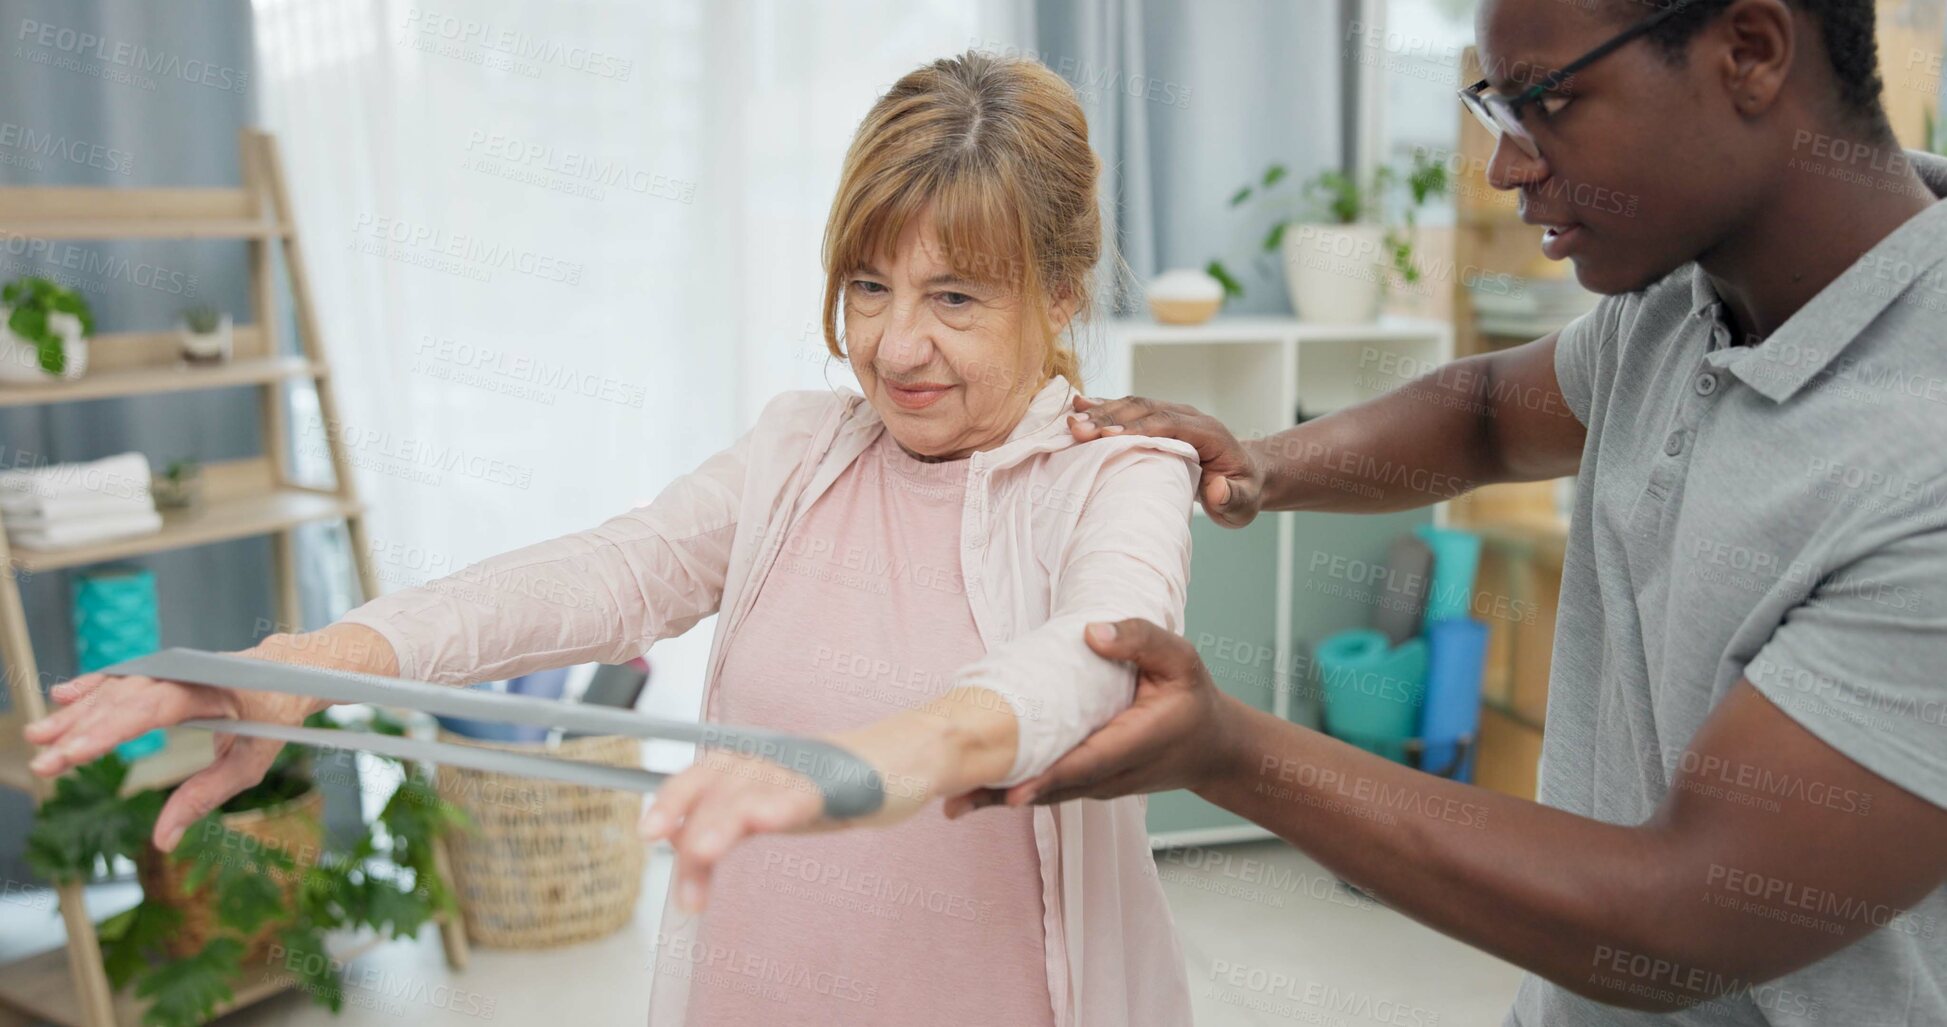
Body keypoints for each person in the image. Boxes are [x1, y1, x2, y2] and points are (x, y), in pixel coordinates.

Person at [24, 52, 1200, 1026]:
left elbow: (1083, 672)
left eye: (955, 297)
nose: (893, 348)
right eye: (868, 285)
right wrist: (303, 668)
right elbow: (605, 570)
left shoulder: (1119, 477)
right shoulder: (802, 448)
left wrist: (860, 767)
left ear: (1059, 293)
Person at [957, 0, 1947, 1023]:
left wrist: (1227, 750)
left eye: (1548, 104)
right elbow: (1483, 413)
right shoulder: (1691, 289)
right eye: (1498, 110)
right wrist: (1258, 464)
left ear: (1748, 51)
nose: (1505, 169)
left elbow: (1680, 918)